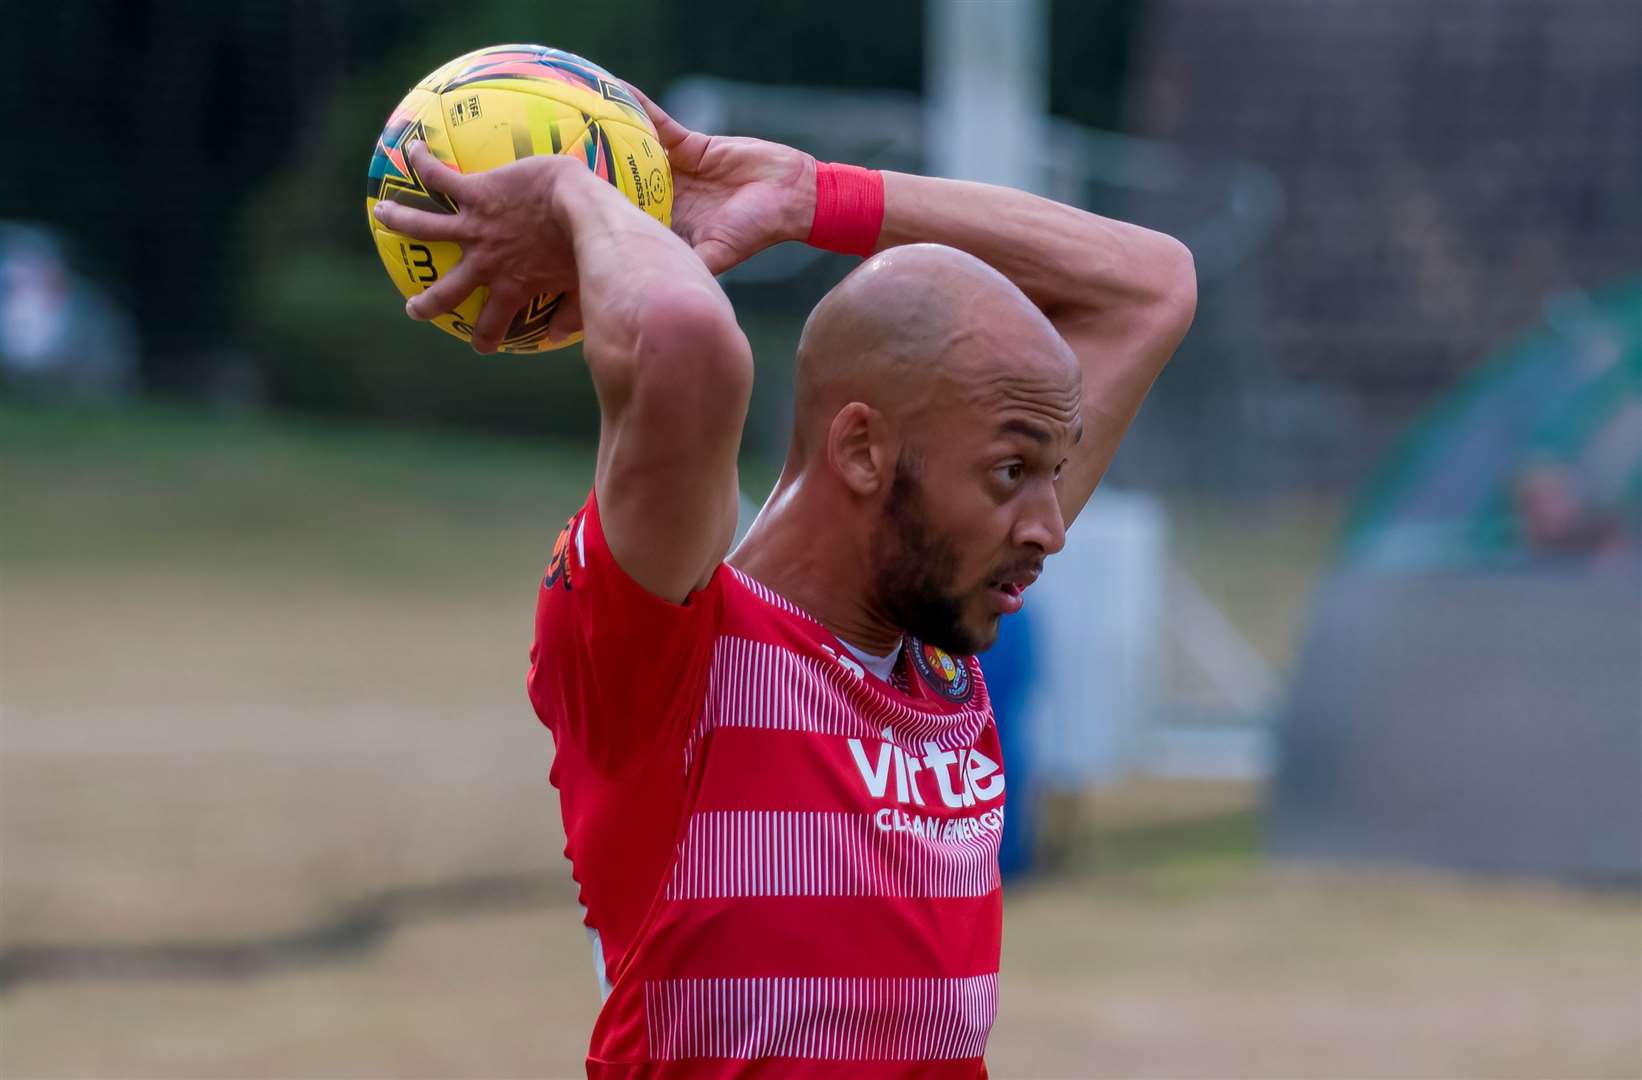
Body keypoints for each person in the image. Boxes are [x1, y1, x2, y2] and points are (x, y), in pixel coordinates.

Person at [373, 82, 1194, 1078]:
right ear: (861, 450)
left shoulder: (937, 632)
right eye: (1012, 473)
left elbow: (1151, 282)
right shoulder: (673, 655)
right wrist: (570, 191)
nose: (1052, 528)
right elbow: (683, 345)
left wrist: (809, 196)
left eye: (1053, 476)